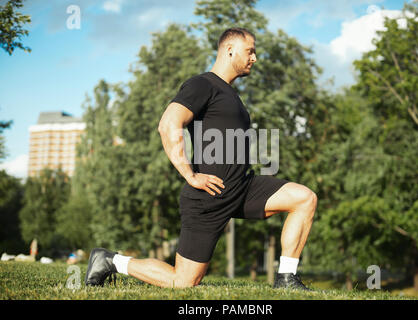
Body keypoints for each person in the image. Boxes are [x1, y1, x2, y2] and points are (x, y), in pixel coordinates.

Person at [85, 27, 317, 290]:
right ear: (230, 50)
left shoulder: (231, 93)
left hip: (242, 188)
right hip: (209, 196)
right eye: (250, 51)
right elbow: (168, 124)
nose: (255, 58)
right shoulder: (202, 84)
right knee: (183, 282)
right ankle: (109, 260)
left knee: (304, 198)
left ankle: (286, 278)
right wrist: (189, 175)